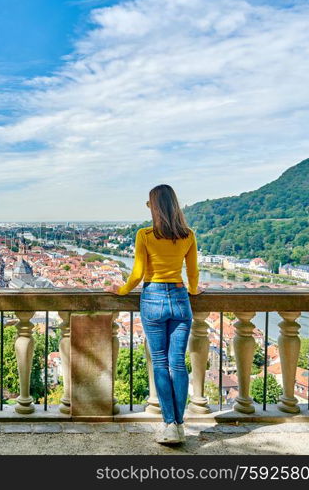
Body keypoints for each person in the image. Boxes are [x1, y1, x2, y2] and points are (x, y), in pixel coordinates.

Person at [106, 184, 202, 445]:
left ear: (154, 207)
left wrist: (121, 290)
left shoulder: (145, 235)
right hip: (181, 298)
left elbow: (137, 274)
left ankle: (170, 425)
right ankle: (180, 425)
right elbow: (192, 275)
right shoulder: (188, 235)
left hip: (153, 298)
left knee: (160, 363)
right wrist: (193, 290)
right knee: (178, 364)